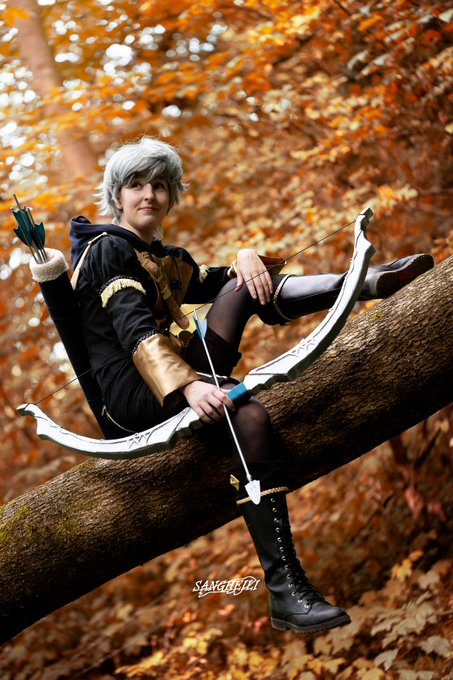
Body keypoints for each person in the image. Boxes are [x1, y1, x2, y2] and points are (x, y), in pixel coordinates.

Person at [69, 137, 434, 634]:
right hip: (134, 395)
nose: (148, 194)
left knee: (245, 323)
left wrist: (246, 256)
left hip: (174, 372)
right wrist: (189, 389)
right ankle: (286, 592)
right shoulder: (107, 248)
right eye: (136, 185)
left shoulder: (161, 254)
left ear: (172, 195)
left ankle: (363, 282)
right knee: (246, 400)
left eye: (159, 185)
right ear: (117, 195)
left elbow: (223, 283)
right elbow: (134, 329)